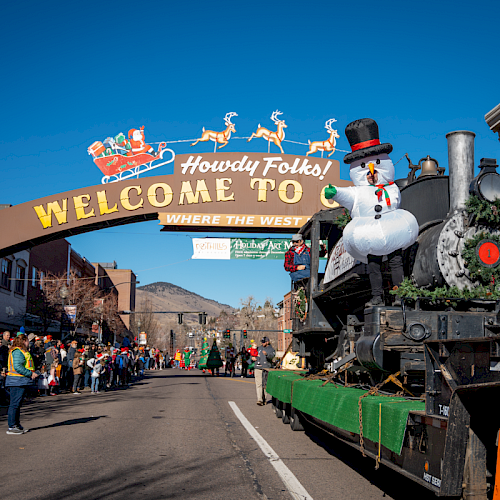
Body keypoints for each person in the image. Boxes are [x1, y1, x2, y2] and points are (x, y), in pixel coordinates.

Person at [5, 333, 39, 434]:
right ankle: (12, 426)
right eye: (28, 340)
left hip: (19, 380)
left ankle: (16, 424)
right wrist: (30, 374)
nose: (29, 342)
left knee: (17, 404)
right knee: (15, 404)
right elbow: (18, 367)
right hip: (16, 380)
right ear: (24, 341)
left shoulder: (19, 351)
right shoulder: (18, 351)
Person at [252, 337, 276, 406]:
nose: (262, 343)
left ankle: (264, 399)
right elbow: (254, 354)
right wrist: (252, 358)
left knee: (265, 384)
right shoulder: (259, 348)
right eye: (262, 342)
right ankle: (259, 399)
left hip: (266, 368)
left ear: (267, 342)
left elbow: (272, 356)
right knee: (258, 384)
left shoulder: (271, 349)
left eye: (264, 342)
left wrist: (267, 354)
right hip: (258, 368)